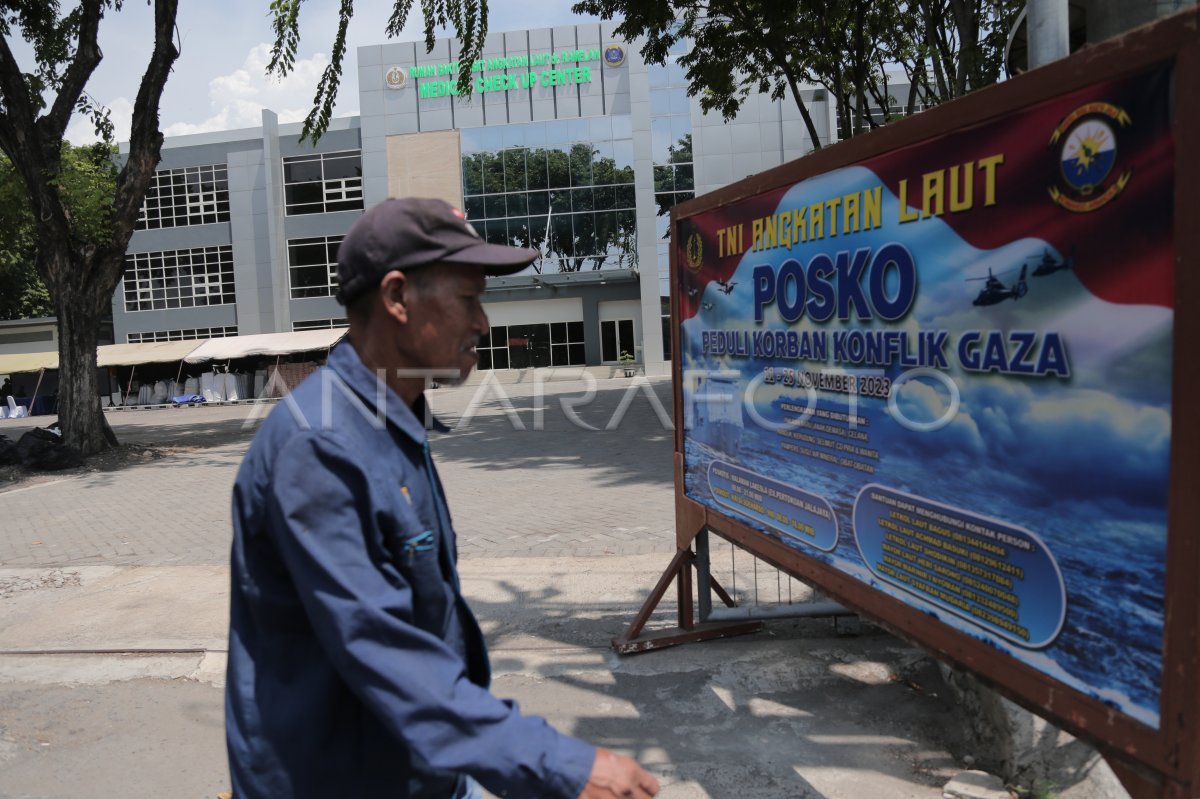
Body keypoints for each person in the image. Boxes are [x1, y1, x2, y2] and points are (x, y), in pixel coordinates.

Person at [226, 197, 660, 799]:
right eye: (468, 299)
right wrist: (554, 762)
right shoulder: (320, 447)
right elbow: (382, 647)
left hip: (421, 763)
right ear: (397, 298)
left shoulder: (394, 418)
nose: (483, 323)